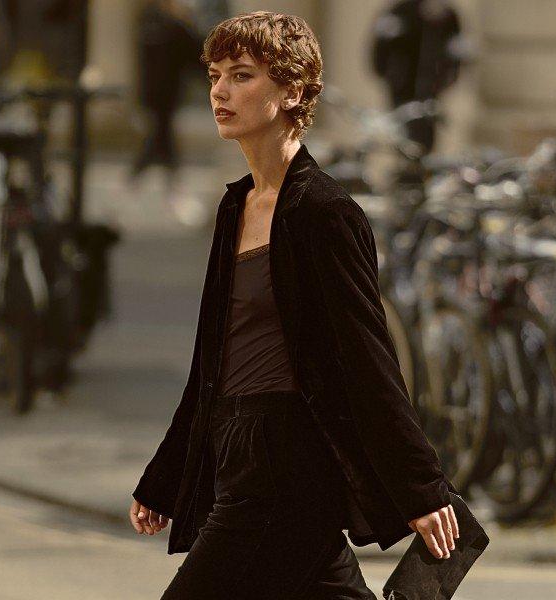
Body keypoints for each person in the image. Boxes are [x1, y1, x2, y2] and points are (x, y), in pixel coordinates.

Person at [129, 12, 460, 599]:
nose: (220, 92)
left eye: (242, 75)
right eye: (214, 76)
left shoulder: (325, 214)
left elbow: (367, 359)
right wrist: (166, 475)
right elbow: (212, 363)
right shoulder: (236, 208)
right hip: (238, 453)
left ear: (294, 91)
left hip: (286, 465)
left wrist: (422, 488)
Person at [370, 0, 463, 154]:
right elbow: (381, 46)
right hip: (402, 86)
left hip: (432, 88)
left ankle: (422, 164)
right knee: (400, 131)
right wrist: (388, 75)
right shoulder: (399, 11)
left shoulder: (447, 14)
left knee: (427, 130)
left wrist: (447, 80)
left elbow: (456, 51)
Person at [128, 0, 202, 191]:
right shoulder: (169, 25)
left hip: (160, 93)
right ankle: (167, 179)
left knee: (160, 133)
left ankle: (153, 176)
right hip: (162, 93)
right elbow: (196, 55)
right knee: (161, 134)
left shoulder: (155, 23)